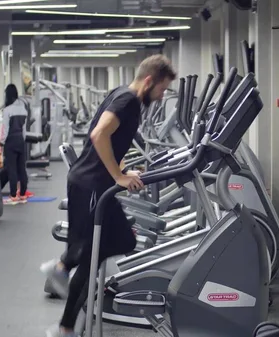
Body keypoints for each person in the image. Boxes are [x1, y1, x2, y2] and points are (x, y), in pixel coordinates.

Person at [41, 55, 177, 337]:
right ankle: (63, 273)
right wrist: (118, 176)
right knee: (101, 251)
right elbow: (99, 135)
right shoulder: (128, 100)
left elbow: (107, 140)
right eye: (162, 90)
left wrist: (124, 168)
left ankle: (65, 279)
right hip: (92, 186)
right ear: (149, 81)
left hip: (93, 185)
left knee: (114, 244)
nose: (162, 96)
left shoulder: (123, 95)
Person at [0, 84, 29, 205]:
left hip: (10, 141)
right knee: (21, 168)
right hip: (21, 141)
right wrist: (23, 140)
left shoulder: (7, 111)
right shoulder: (23, 109)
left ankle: (12, 195)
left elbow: (5, 129)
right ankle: (22, 194)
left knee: (12, 168)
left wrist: (1, 142)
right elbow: (24, 130)